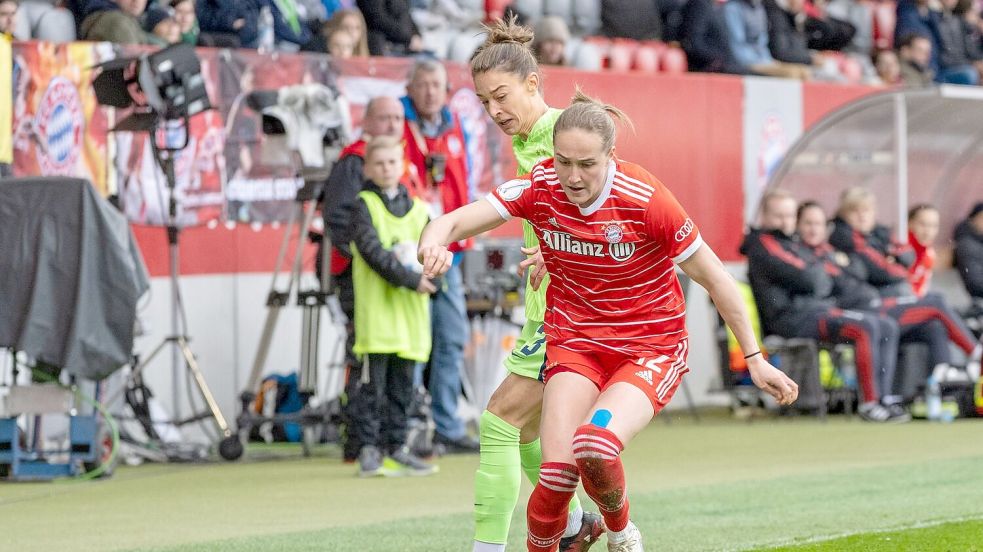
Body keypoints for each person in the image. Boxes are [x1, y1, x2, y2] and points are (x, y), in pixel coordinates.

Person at [420, 92, 798, 552]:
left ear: (611, 156)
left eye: (587, 164)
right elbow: (453, 222)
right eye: (563, 162)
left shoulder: (646, 199)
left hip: (649, 348)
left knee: (595, 446)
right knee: (555, 476)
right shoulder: (540, 185)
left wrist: (755, 357)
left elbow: (716, 278)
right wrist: (433, 243)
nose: (573, 176)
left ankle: (621, 533)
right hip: (575, 344)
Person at [468, 17, 603, 552]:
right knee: (527, 432)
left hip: (568, 313)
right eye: (484, 102)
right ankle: (574, 524)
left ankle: (489, 547)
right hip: (544, 308)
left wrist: (558, 246)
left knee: (498, 422)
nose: (494, 110)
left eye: (501, 96)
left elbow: (608, 204)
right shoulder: (528, 140)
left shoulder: (559, 135)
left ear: (531, 83)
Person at [742, 191, 905, 422]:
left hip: (816, 311)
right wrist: (818, 276)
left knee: (886, 326)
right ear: (765, 216)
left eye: (789, 216)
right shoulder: (764, 244)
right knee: (867, 327)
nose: (785, 221)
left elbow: (825, 278)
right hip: (791, 320)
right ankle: (869, 404)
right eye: (779, 216)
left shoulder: (791, 243)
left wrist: (818, 277)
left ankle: (884, 399)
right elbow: (812, 279)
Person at [319, 95, 407, 463]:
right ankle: (359, 442)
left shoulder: (398, 166)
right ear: (366, 121)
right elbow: (338, 221)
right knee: (365, 361)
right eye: (384, 117)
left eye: (398, 118)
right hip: (359, 279)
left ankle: (392, 442)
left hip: (396, 280)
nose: (392, 124)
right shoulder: (353, 162)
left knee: (398, 363)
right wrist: (370, 260)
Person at [348, 135, 438, 477]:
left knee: (403, 389)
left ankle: (397, 448)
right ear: (368, 168)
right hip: (377, 318)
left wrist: (435, 278)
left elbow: (437, 251)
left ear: (402, 165)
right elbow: (373, 253)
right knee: (372, 388)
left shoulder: (420, 210)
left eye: (392, 162)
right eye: (379, 163)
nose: (386, 169)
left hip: (411, 319)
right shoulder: (363, 206)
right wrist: (413, 280)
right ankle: (369, 450)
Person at [401, 58, 477, 454]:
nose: (430, 92)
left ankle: (447, 425)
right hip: (409, 254)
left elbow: (466, 185)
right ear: (410, 89)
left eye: (437, 85)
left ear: (447, 91)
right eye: (423, 84)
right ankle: (409, 427)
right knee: (413, 344)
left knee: (451, 338)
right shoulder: (398, 126)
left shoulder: (456, 126)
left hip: (451, 253)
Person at [829, 187, 981, 376]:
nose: (862, 216)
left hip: (890, 299)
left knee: (935, 326)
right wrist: (894, 263)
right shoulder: (845, 237)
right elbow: (885, 271)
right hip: (868, 306)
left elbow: (905, 255)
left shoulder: (878, 233)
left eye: (866, 210)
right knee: (935, 302)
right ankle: (978, 355)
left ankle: (943, 380)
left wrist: (895, 261)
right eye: (855, 211)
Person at [907, 204, 939, 298]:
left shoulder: (929, 254)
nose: (928, 231)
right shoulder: (899, 249)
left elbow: (922, 290)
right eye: (923, 224)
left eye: (934, 226)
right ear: (909, 224)